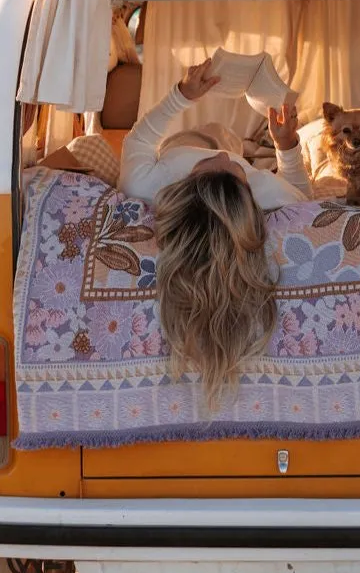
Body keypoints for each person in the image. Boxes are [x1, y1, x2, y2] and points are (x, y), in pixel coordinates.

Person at [118, 59, 309, 407]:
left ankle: (240, 146)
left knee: (220, 141)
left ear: (185, 188)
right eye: (236, 171)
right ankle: (249, 147)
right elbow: (302, 202)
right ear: (246, 197)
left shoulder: (148, 184)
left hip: (183, 141)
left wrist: (181, 96)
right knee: (236, 144)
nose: (222, 157)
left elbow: (140, 140)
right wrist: (287, 145)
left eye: (213, 166)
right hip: (239, 146)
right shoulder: (266, 192)